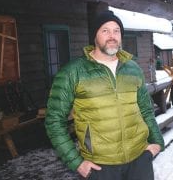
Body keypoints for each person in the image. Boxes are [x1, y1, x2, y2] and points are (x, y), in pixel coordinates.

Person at [45, 10, 164, 180]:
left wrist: (157, 143)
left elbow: (146, 110)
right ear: (95, 35)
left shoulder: (133, 68)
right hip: (101, 167)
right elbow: (54, 120)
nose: (112, 36)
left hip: (139, 159)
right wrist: (77, 163)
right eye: (105, 30)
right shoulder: (73, 72)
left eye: (116, 31)